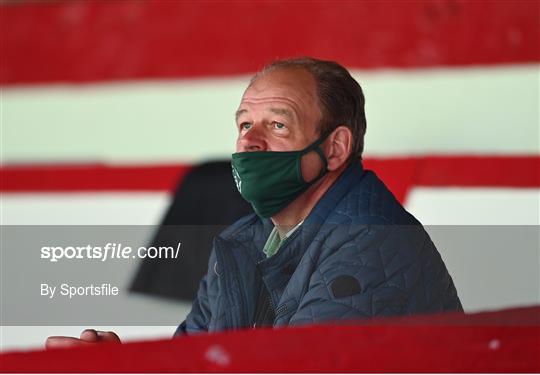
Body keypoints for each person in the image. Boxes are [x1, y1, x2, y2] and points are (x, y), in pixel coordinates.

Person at [46, 57, 462, 347]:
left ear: (335, 149)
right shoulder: (242, 241)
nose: (249, 142)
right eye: (244, 124)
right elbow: (193, 361)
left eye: (277, 125)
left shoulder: (370, 240)